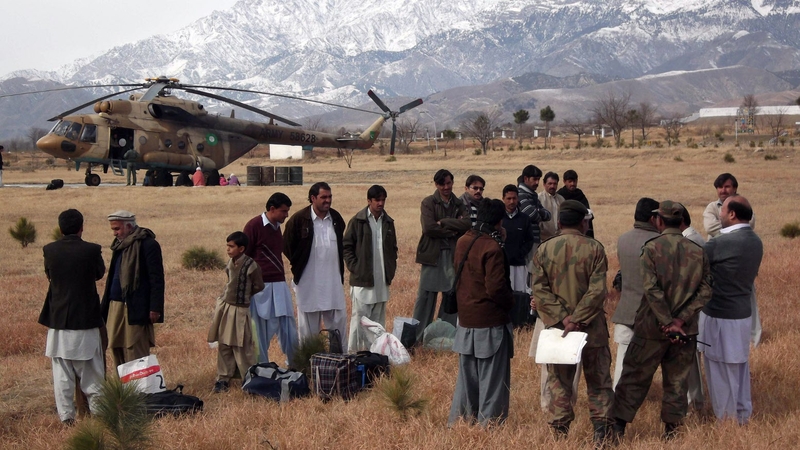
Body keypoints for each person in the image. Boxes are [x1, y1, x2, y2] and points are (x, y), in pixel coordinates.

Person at [611, 201, 712, 441]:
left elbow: (651, 289)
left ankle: (616, 430)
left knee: (634, 378)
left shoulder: (651, 248)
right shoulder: (697, 250)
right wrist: (680, 321)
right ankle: (672, 432)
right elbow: (706, 291)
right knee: (677, 382)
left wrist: (667, 320)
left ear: (659, 220)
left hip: (650, 328)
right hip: (684, 331)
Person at [532, 200, 613, 444]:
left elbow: (540, 291)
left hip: (559, 332)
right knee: (599, 382)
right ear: (583, 223)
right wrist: (578, 319)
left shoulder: (544, 250)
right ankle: (601, 435)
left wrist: (563, 319)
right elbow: (597, 291)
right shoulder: (595, 249)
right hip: (593, 330)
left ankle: (560, 434)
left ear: (559, 222)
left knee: (558, 383)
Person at [448, 199, 514, 427]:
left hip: (465, 321)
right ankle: (489, 428)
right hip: (490, 322)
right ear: (499, 221)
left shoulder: (462, 241)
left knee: (467, 381)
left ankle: (461, 424)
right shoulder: (492, 248)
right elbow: (496, 288)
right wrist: (512, 303)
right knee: (493, 381)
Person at [700, 194, 763, 425]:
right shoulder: (756, 241)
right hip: (742, 314)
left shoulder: (719, 243)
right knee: (738, 368)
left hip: (719, 315)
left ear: (732, 214)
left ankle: (727, 421)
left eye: (723, 210)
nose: (720, 213)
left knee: (719, 370)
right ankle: (742, 415)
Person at [39, 209, 106, 426]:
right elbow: (98, 273)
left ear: (60, 229)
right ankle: (99, 416)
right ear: (81, 227)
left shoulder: (50, 250)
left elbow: (49, 274)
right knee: (93, 374)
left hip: (59, 320)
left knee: (61, 376)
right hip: (86, 319)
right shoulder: (92, 250)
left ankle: (66, 418)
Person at [283, 182, 348, 351]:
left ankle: (339, 360)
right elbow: (287, 246)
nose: (328, 200)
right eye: (323, 197)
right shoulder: (299, 220)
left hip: (333, 282)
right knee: (308, 329)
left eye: (330, 197)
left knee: (338, 323)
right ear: (313, 198)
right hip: (308, 282)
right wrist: (299, 263)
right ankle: (309, 362)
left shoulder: (336, 218)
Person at [702, 173, 761, 346]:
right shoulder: (712, 207)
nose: (723, 190)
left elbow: (748, 224)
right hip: (719, 260)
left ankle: (754, 339)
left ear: (735, 188)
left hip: (741, 259)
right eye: (720, 187)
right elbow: (709, 227)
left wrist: (728, 225)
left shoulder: (743, 203)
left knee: (747, 296)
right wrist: (734, 225)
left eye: (727, 186)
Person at [101, 210, 165, 369]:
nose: (115, 233)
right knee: (117, 348)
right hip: (115, 305)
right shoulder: (119, 246)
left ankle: (141, 390)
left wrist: (155, 307)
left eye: (117, 229)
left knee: (135, 350)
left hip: (136, 306)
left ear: (129, 226)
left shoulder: (148, 244)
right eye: (113, 230)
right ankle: (124, 390)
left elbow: (156, 278)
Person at [412, 169, 471, 340]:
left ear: (453, 182)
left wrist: (444, 222)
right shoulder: (428, 202)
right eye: (442, 184)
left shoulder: (458, 203)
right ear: (436, 185)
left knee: (450, 295)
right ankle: (417, 337)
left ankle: (444, 336)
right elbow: (429, 228)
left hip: (453, 254)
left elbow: (467, 223)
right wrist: (453, 229)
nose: (446, 187)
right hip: (433, 255)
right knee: (426, 296)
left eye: (449, 183)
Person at [243, 192, 298, 365]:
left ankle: (295, 363)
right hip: (261, 287)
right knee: (260, 330)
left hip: (279, 283)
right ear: (272, 209)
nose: (286, 215)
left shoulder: (277, 227)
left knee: (287, 324)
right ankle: (261, 367)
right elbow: (245, 257)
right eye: (283, 211)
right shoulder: (254, 225)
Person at [611, 197, 660, 389]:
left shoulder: (623, 239)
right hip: (651, 313)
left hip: (626, 309)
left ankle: (617, 398)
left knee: (623, 360)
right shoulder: (657, 241)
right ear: (652, 218)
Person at [343, 185, 399, 351]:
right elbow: (347, 246)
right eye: (377, 200)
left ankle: (375, 354)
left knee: (377, 322)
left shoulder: (388, 222)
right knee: (359, 320)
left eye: (383, 200)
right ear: (369, 201)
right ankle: (354, 355)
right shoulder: (358, 221)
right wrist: (356, 267)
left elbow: (393, 248)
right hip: (362, 280)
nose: (380, 203)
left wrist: (391, 268)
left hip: (382, 279)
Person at [208, 232, 265, 393]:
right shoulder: (230, 263)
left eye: (231, 246)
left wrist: (245, 295)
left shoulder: (251, 265)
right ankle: (223, 379)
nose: (228, 249)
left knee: (241, 345)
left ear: (241, 248)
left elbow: (259, 285)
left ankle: (249, 379)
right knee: (224, 344)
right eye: (227, 246)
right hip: (226, 307)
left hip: (240, 310)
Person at [500, 185, 533, 291]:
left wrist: (520, 253)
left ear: (518, 198)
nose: (511, 201)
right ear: (503, 199)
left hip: (519, 265)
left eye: (514, 198)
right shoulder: (498, 218)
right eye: (508, 198)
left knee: (520, 294)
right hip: (501, 265)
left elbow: (529, 240)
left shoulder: (524, 219)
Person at [516, 165, 551, 264]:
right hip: (525, 240)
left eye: (538, 179)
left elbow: (548, 215)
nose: (537, 182)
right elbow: (530, 214)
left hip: (534, 239)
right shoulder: (520, 193)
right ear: (526, 178)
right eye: (534, 179)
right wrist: (539, 213)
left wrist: (537, 211)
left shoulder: (532, 195)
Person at [557, 169, 594, 238]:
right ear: (564, 182)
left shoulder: (579, 194)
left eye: (574, 181)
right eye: (570, 181)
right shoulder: (560, 195)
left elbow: (587, 212)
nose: (572, 184)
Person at [538, 171, 564, 241]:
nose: (552, 186)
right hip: (543, 239)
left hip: (559, 239)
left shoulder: (561, 199)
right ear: (544, 184)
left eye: (554, 184)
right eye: (550, 183)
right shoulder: (539, 198)